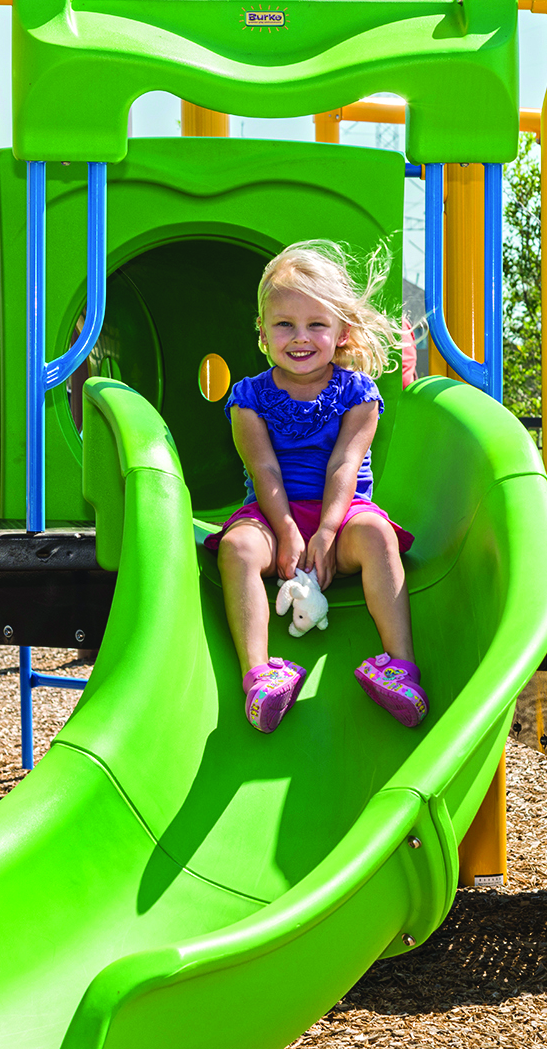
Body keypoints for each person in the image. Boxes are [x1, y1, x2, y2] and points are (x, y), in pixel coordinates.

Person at [204, 240, 426, 734]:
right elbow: (265, 472)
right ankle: (258, 675)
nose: (299, 338)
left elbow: (345, 466)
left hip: (342, 514)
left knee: (378, 536)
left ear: (342, 331)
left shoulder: (358, 394)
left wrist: (325, 532)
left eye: (316, 325)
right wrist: (285, 531)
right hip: (270, 513)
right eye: (284, 324)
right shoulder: (248, 400)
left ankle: (400, 666)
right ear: (262, 334)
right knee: (237, 548)